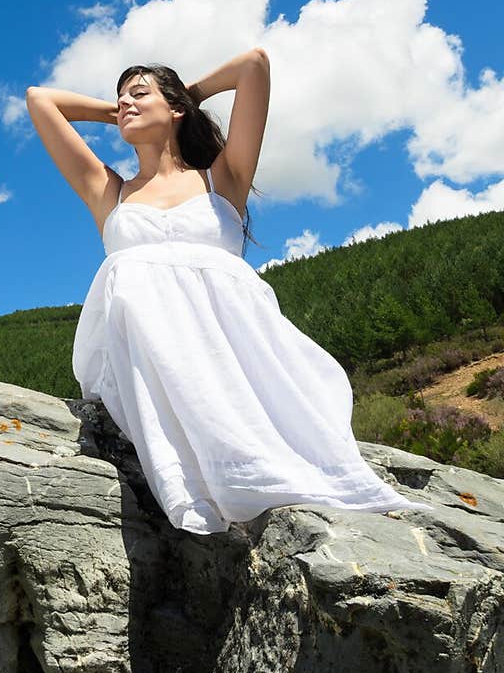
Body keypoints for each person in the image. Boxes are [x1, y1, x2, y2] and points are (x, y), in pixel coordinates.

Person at [25, 49, 433, 535]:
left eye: (138, 94)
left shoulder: (223, 179)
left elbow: (253, 66)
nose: (125, 104)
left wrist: (188, 96)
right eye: (120, 99)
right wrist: (117, 110)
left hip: (233, 349)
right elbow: (40, 99)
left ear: (175, 110)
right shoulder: (109, 191)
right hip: (147, 354)